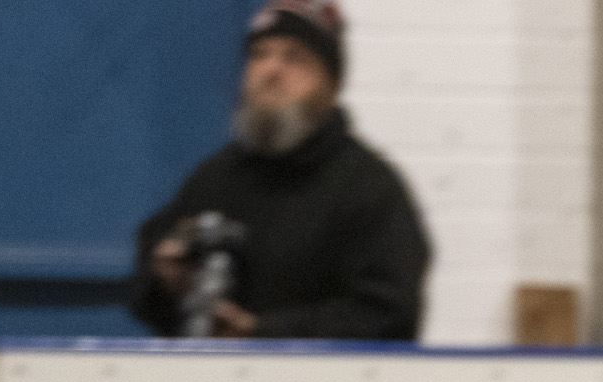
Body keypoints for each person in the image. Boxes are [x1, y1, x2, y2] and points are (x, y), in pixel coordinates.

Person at [128, 2, 431, 343]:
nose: (271, 70)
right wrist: (167, 283)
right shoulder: (214, 178)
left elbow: (390, 317)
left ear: (331, 88)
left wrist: (263, 334)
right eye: (259, 55)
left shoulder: (370, 190)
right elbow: (148, 289)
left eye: (294, 57)